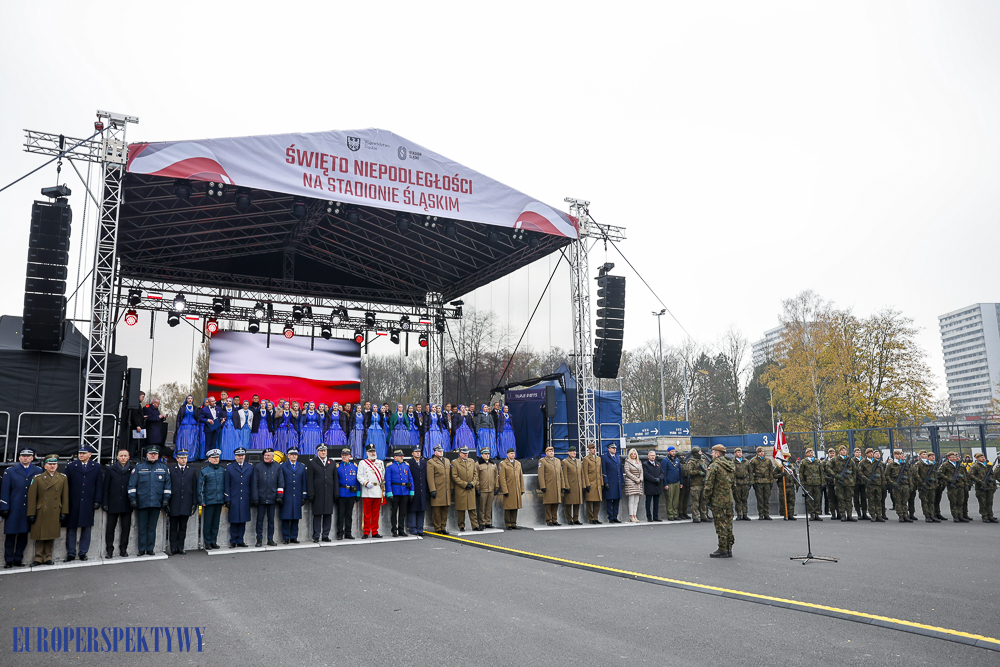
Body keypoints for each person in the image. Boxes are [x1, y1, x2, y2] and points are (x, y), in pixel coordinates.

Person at [129, 445, 171, 556]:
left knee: (152, 527)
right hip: (142, 502)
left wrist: (166, 499)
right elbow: (132, 485)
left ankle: (150, 548)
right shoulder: (139, 468)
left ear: (158, 455)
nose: (153, 456)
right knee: (142, 527)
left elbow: (167, 486)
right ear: (147, 455)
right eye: (151, 454)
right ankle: (141, 549)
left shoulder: (163, 468)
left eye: (155, 454)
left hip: (156, 502)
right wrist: (133, 499)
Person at [2, 447, 41, 568]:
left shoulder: (38, 471)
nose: (25, 458)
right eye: (23, 456)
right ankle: (9, 560)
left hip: (28, 509)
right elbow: (4, 490)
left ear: (32, 458)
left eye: (28, 456)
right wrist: (4, 506)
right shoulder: (10, 471)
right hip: (14, 508)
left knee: (23, 535)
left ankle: (18, 558)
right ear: (19, 458)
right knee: (10, 535)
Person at [63, 443, 103, 562]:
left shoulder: (96, 467)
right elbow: (66, 485)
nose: (81, 455)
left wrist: (97, 500)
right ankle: (71, 552)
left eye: (84, 453)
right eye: (80, 453)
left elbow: (99, 485)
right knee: (71, 528)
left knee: (86, 528)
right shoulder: (71, 466)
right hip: (73, 502)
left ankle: (83, 552)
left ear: (90, 455)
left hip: (88, 502)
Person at [27, 455, 68, 566]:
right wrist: (31, 513)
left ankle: (48, 557)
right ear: (45, 466)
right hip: (41, 511)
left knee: (51, 535)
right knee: (40, 535)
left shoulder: (63, 478)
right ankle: (38, 557)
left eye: (54, 464)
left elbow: (65, 497)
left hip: (55, 510)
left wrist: (64, 512)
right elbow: (32, 497)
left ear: (57, 466)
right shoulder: (37, 478)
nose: (52, 466)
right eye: (50, 464)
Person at [703, 444, 735, 558]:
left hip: (718, 500)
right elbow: (733, 483)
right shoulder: (730, 465)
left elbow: (709, 485)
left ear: (717, 454)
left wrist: (706, 499)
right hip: (728, 499)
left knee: (720, 524)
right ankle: (729, 547)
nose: (711, 454)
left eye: (712, 452)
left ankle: (722, 549)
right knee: (729, 524)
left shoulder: (714, 466)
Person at [102, 448, 134, 558]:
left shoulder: (132, 469)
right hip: (113, 503)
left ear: (129, 457)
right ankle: (109, 550)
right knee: (110, 528)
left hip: (127, 503)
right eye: (121, 456)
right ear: (117, 457)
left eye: (125, 456)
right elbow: (106, 488)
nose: (123, 458)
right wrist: (105, 503)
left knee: (126, 528)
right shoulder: (110, 469)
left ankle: (123, 549)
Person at [167, 449, 198, 555]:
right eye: (181, 458)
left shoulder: (192, 470)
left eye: (185, 458)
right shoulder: (171, 469)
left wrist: (194, 503)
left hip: (186, 502)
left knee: (183, 527)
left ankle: (181, 547)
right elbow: (168, 486)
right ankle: (173, 548)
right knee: (173, 527)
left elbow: (194, 487)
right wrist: (167, 502)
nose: (183, 460)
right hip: (174, 502)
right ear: (177, 459)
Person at [277, 447, 308, 543]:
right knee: (286, 517)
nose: (294, 456)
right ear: (288, 456)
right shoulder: (283, 466)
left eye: (295, 454)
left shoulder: (301, 466)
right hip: (287, 495)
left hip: (297, 495)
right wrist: (280, 495)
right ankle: (286, 537)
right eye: (292, 454)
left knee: (295, 517)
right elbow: (280, 481)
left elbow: (304, 482)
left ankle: (294, 537)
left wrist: (304, 495)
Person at [224, 447, 253, 547]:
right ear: (235, 456)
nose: (240, 457)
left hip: (245, 497)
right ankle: (233, 540)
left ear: (245, 456)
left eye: (242, 455)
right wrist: (227, 498)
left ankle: (240, 539)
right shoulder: (229, 467)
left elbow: (252, 484)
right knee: (234, 520)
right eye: (238, 456)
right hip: (234, 498)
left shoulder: (250, 467)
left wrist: (252, 498)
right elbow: (227, 485)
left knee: (243, 520)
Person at [251, 447, 280, 547]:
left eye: (268, 455)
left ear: (272, 456)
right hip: (261, 498)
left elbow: (281, 482)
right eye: (265, 455)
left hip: (272, 497)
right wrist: (255, 498)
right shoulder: (258, 467)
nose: (266, 457)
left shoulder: (277, 467)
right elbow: (254, 483)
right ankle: (259, 539)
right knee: (259, 521)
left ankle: (270, 539)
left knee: (271, 521)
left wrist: (279, 496)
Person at [308, 444, 337, 542]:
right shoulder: (313, 463)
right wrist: (311, 494)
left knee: (328, 515)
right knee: (317, 515)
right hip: (318, 493)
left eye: (324, 450)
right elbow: (310, 480)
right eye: (321, 451)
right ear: (318, 452)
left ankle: (325, 535)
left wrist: (335, 493)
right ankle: (316, 535)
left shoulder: (332, 463)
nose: (323, 452)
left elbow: (335, 479)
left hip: (329, 493)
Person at [198, 449, 226, 549]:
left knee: (216, 523)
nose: (215, 459)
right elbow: (200, 487)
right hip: (209, 501)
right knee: (208, 523)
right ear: (209, 459)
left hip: (219, 500)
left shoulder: (223, 471)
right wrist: (202, 500)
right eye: (213, 458)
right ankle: (207, 542)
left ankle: (214, 541)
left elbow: (225, 486)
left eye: (217, 457)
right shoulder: (204, 471)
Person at [357, 444, 386, 538]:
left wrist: (383, 489)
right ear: (367, 453)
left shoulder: (380, 462)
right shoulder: (363, 463)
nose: (372, 453)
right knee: (367, 513)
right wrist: (365, 483)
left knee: (376, 513)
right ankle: (366, 531)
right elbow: (359, 476)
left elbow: (383, 477)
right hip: (367, 490)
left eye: (373, 451)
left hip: (377, 490)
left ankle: (374, 531)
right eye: (370, 452)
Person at [385, 449, 414, 537]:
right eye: (400, 456)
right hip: (395, 492)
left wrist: (411, 491)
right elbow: (388, 480)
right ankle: (394, 529)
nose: (402, 457)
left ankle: (401, 529)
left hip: (404, 492)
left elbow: (410, 479)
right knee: (394, 512)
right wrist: (389, 493)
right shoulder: (390, 466)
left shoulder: (406, 466)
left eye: (402, 456)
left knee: (403, 512)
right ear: (395, 457)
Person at [450, 445, 479, 531]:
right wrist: (465, 484)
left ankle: (475, 525)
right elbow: (454, 477)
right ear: (460, 453)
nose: (466, 454)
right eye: (464, 453)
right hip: (461, 489)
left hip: (471, 488)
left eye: (467, 453)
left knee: (472, 508)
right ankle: (461, 525)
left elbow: (475, 474)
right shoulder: (455, 463)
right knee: (461, 509)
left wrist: (473, 483)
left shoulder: (472, 461)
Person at [427, 445, 452, 533]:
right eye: (439, 451)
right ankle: (437, 528)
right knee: (437, 511)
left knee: (445, 509)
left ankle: (443, 527)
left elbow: (450, 475)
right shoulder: (431, 462)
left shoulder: (447, 461)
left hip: (446, 489)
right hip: (437, 489)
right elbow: (430, 477)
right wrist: (432, 490)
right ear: (435, 452)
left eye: (441, 451)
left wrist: (451, 487)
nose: (441, 452)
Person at [938, 452, 969, 523]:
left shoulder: (959, 464)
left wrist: (966, 484)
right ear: (948, 458)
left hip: (960, 485)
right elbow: (940, 473)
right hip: (952, 486)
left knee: (960, 501)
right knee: (953, 501)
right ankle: (955, 516)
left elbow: (964, 475)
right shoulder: (945, 465)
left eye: (955, 457)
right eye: (952, 457)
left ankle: (960, 515)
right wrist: (948, 479)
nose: (954, 458)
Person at [335, 447, 358, 540]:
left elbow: (357, 481)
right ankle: (340, 533)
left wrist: (358, 493)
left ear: (350, 456)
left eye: (346, 455)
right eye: (343, 455)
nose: (344, 457)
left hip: (351, 493)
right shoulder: (337, 467)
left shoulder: (354, 466)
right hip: (341, 493)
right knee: (340, 515)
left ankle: (348, 533)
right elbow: (335, 481)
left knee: (349, 515)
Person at [538, 445, 565, 526]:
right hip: (548, 486)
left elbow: (561, 474)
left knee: (556, 503)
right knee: (548, 503)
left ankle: (554, 519)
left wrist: (562, 485)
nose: (551, 453)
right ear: (546, 453)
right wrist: (543, 486)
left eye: (552, 451)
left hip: (557, 486)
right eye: (549, 451)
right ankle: (549, 520)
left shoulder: (557, 461)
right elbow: (541, 475)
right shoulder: (543, 461)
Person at [884, 448, 912, 523]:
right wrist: (892, 482)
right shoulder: (891, 465)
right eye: (898, 454)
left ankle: (906, 515)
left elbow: (909, 475)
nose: (899, 456)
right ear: (895, 455)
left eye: (900, 454)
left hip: (905, 484)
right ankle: (900, 515)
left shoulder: (905, 464)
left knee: (904, 501)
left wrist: (910, 485)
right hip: (897, 485)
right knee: (898, 501)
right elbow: (887, 475)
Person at [499, 447, 524, 529]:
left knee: (515, 506)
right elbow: (502, 478)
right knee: (508, 507)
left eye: (513, 453)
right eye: (511, 453)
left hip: (516, 488)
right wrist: (505, 490)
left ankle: (513, 523)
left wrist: (522, 488)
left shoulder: (518, 463)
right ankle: (508, 523)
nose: (512, 455)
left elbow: (520, 477)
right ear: (507, 454)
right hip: (509, 488)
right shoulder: (503, 464)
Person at [970, 452, 998, 523]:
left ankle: (990, 516)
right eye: (981, 457)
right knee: (983, 502)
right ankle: (985, 516)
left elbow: (992, 476)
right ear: (977, 458)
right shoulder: (975, 466)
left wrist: (994, 485)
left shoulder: (988, 466)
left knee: (989, 502)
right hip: (980, 487)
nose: (983, 458)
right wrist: (980, 481)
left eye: (983, 457)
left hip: (989, 487)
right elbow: (971, 475)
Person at [913, 450, 940, 523]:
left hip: (931, 485)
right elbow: (915, 474)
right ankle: (927, 516)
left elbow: (934, 474)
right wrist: (922, 482)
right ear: (920, 455)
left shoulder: (930, 464)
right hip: (923, 486)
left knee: (931, 501)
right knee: (925, 501)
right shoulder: (918, 464)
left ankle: (932, 515)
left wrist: (935, 483)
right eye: (923, 454)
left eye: (926, 454)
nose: (925, 455)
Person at [407, 445, 428, 536]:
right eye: (416, 452)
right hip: (413, 489)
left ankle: (420, 529)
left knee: (421, 510)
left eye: (419, 452)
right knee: (412, 509)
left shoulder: (424, 463)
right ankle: (412, 528)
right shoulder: (409, 463)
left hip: (422, 489)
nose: (418, 453)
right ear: (412, 453)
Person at [799, 448, 825, 521]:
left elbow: (821, 472)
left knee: (817, 498)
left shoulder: (817, 461)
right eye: (809, 452)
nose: (811, 454)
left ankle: (817, 513)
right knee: (809, 499)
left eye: (811, 452)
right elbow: (801, 473)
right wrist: (802, 483)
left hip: (817, 482)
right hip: (808, 483)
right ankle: (812, 514)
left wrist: (822, 482)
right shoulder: (804, 462)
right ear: (806, 454)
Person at [749, 446, 774, 520]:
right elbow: (751, 472)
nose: (762, 453)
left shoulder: (768, 460)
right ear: (757, 453)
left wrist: (771, 481)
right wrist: (752, 482)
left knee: (766, 498)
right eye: (760, 452)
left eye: (762, 451)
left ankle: (766, 514)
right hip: (758, 481)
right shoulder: (753, 461)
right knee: (760, 499)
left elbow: (770, 471)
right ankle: (761, 514)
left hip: (767, 481)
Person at [685, 446, 709, 523]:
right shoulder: (692, 462)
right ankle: (695, 517)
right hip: (695, 485)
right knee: (695, 502)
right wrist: (698, 472)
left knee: (703, 501)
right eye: (699, 452)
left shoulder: (702, 461)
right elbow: (689, 472)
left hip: (703, 484)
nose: (701, 453)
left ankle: (704, 516)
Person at [601, 443, 624, 523]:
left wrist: (622, 481)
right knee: (609, 500)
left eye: (615, 448)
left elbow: (620, 470)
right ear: (609, 449)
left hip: (617, 482)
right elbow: (604, 471)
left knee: (616, 500)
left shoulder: (617, 457)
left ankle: (615, 516)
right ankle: (610, 517)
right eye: (613, 448)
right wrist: (605, 481)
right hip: (610, 482)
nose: (614, 449)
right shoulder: (605, 457)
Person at [562, 447, 584, 526]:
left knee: (577, 503)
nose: (574, 452)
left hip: (578, 485)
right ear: (568, 453)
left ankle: (576, 518)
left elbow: (582, 474)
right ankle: (569, 519)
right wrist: (566, 486)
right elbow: (564, 475)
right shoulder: (565, 462)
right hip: (570, 485)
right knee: (569, 503)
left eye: (574, 451)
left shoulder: (578, 461)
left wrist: (583, 485)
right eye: (572, 451)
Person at [175, 396, 201, 461]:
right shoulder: (182, 407)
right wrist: (178, 427)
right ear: (186, 399)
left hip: (193, 427)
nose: (190, 400)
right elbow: (178, 418)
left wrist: (198, 427)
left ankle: (191, 457)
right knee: (184, 441)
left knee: (192, 442)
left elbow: (198, 418)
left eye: (191, 398)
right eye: (188, 398)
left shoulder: (195, 408)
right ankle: (182, 456)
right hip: (184, 426)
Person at [660, 446, 682, 521]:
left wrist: (681, 482)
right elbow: (664, 473)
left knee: (676, 499)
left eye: (674, 451)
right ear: (668, 452)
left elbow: (680, 471)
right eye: (672, 451)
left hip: (677, 482)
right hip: (669, 482)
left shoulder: (677, 460)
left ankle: (675, 514)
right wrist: (665, 484)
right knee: (669, 499)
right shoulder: (665, 461)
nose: (673, 453)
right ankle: (670, 515)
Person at [622, 448, 644, 523]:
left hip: (638, 483)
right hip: (631, 482)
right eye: (632, 454)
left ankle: (635, 515)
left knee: (636, 501)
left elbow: (641, 472)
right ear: (630, 455)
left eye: (635, 454)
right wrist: (635, 479)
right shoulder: (627, 462)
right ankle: (631, 516)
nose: (633, 455)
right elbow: (627, 472)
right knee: (631, 500)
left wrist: (640, 479)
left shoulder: (639, 462)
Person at [641, 450, 662, 522]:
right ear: (648, 456)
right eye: (651, 455)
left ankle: (656, 516)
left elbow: (662, 473)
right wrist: (654, 479)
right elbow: (646, 474)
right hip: (649, 486)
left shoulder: (658, 464)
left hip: (657, 486)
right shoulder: (645, 464)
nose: (653, 457)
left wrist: (659, 478)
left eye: (654, 455)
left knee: (656, 503)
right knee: (648, 502)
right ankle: (649, 517)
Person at [731, 447, 751, 521]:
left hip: (745, 482)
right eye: (738, 452)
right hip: (737, 482)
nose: (740, 454)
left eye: (740, 452)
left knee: (744, 499)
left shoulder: (746, 461)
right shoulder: (732, 462)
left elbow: (750, 472)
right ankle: (739, 514)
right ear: (735, 453)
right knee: (738, 500)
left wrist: (750, 482)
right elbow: (731, 473)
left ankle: (745, 514)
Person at [128, 391, 146, 459]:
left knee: (137, 442)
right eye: (142, 397)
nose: (143, 399)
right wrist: (137, 425)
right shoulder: (135, 405)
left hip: (138, 425)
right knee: (134, 442)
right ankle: (131, 456)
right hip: (135, 427)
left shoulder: (137, 405)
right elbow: (134, 415)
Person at [822, 448, 839, 519]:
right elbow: (822, 472)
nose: (832, 454)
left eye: (833, 453)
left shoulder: (838, 461)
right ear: (828, 454)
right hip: (829, 482)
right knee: (831, 498)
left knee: (838, 498)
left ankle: (839, 513)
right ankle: (833, 513)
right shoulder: (824, 462)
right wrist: (827, 478)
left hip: (837, 482)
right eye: (830, 453)